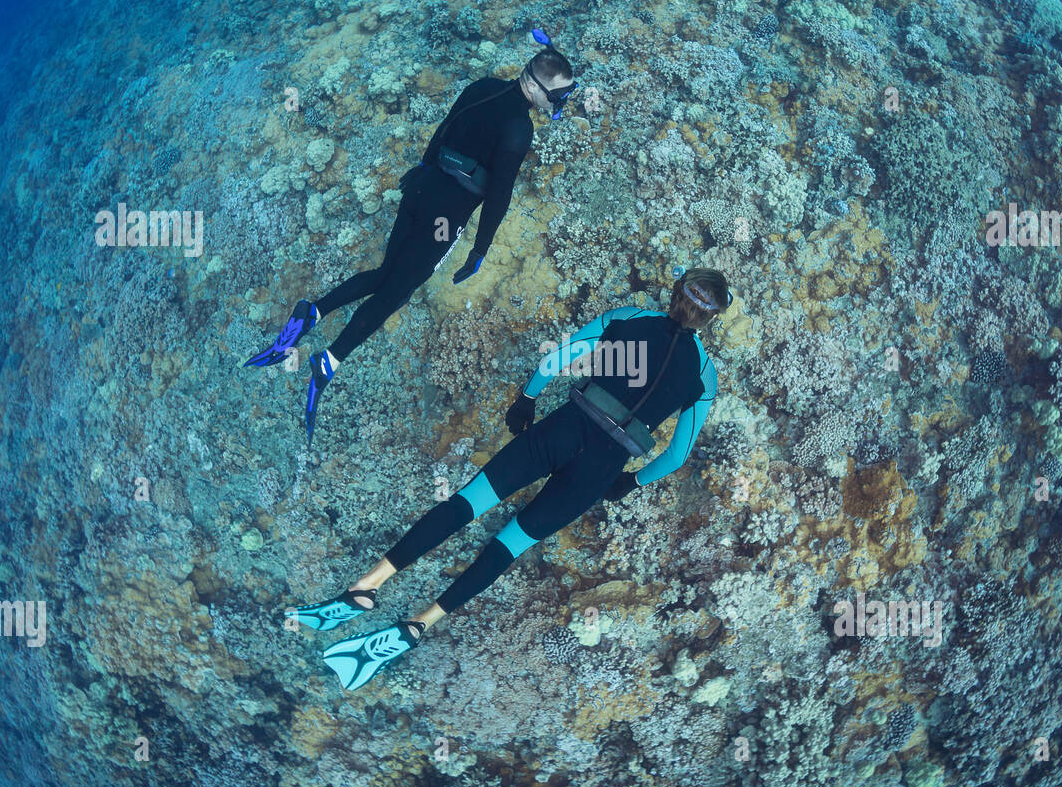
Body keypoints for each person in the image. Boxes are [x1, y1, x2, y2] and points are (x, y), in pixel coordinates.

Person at [288, 269, 732, 690]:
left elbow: (560, 356)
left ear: (674, 293)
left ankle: (367, 586)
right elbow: (676, 456)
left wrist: (526, 400)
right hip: (600, 471)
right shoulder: (704, 376)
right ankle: (419, 624)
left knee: (462, 505)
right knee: (508, 546)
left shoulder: (630, 318)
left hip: (560, 432)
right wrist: (630, 483)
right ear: (711, 319)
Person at [244, 30, 578, 445]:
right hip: (446, 215)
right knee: (396, 293)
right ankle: (327, 362)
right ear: (540, 87)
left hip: (419, 191)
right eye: (560, 96)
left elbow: (444, 130)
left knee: (386, 274)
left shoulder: (484, 86)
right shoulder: (518, 129)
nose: (559, 104)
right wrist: (480, 248)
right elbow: (499, 195)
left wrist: (421, 168)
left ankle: (311, 312)